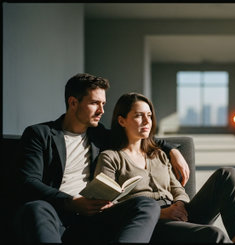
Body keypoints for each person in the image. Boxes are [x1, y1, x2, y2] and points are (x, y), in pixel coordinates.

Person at [12, 73, 185, 243]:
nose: (102, 110)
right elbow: (28, 181)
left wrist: (172, 151)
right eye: (95, 103)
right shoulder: (40, 134)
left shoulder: (98, 133)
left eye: (103, 104)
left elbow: (138, 135)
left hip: (95, 217)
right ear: (73, 102)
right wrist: (71, 202)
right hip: (55, 212)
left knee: (147, 205)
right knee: (34, 208)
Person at [94, 92, 235, 243]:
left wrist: (179, 205)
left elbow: (177, 188)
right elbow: (108, 207)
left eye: (149, 116)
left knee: (227, 174)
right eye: (138, 116)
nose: (146, 121)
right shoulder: (111, 157)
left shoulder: (158, 155)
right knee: (214, 234)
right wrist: (162, 213)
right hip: (151, 223)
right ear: (122, 121)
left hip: (178, 213)